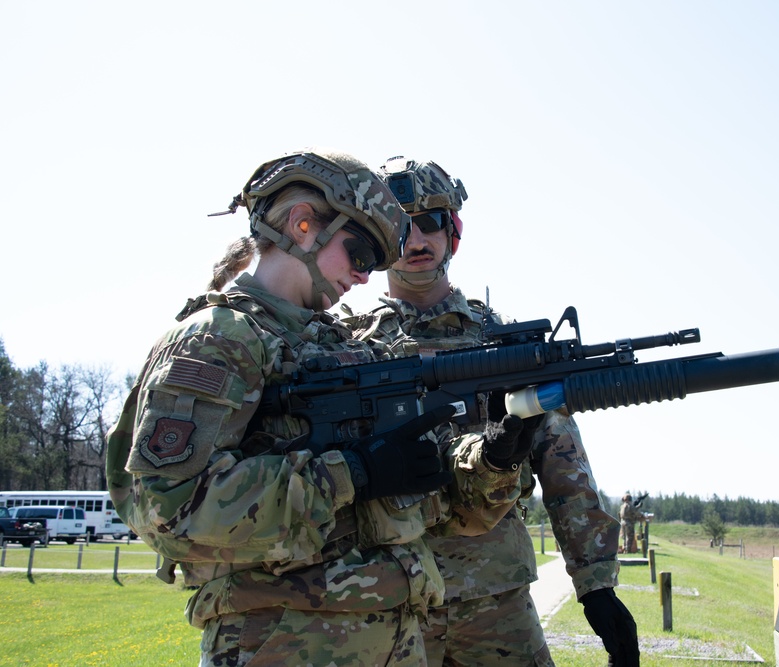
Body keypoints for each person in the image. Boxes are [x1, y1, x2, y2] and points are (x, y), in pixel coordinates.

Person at [105, 149, 539, 666]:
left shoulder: (340, 347)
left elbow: (425, 504)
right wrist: (351, 473)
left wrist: (489, 459)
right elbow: (170, 510)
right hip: (280, 644)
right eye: (358, 254)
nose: (363, 277)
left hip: (393, 640)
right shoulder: (218, 340)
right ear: (302, 224)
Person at [347, 156, 640, 666]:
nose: (416, 240)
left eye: (431, 222)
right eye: (400, 224)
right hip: (383, 598)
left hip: (493, 599)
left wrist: (595, 584)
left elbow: (562, 459)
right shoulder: (344, 348)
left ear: (453, 232)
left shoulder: (502, 344)